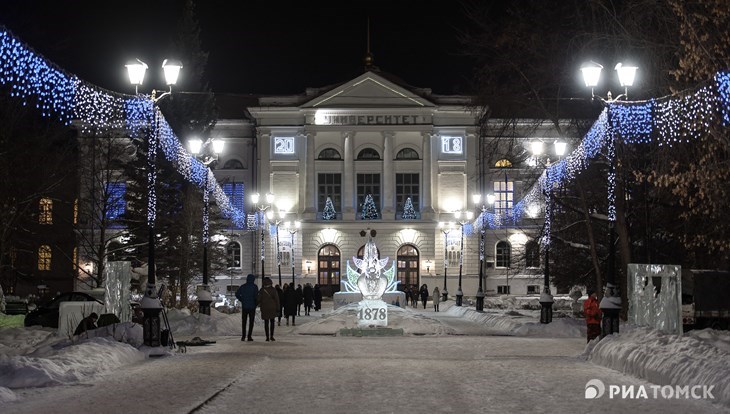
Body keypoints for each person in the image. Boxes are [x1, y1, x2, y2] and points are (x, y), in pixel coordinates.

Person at [235, 274, 258, 341]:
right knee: (251, 322)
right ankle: (249, 336)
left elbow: (237, 294)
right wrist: (256, 303)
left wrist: (242, 299)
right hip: (252, 307)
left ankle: (243, 336)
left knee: (244, 322)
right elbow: (256, 296)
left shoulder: (243, 287)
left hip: (245, 306)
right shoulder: (254, 287)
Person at [257, 277, 280, 342]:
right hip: (272, 307)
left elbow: (258, 299)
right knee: (272, 322)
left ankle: (267, 337)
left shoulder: (262, 290)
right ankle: (272, 336)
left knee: (266, 322)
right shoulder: (273, 290)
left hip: (265, 308)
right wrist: (278, 308)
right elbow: (277, 300)